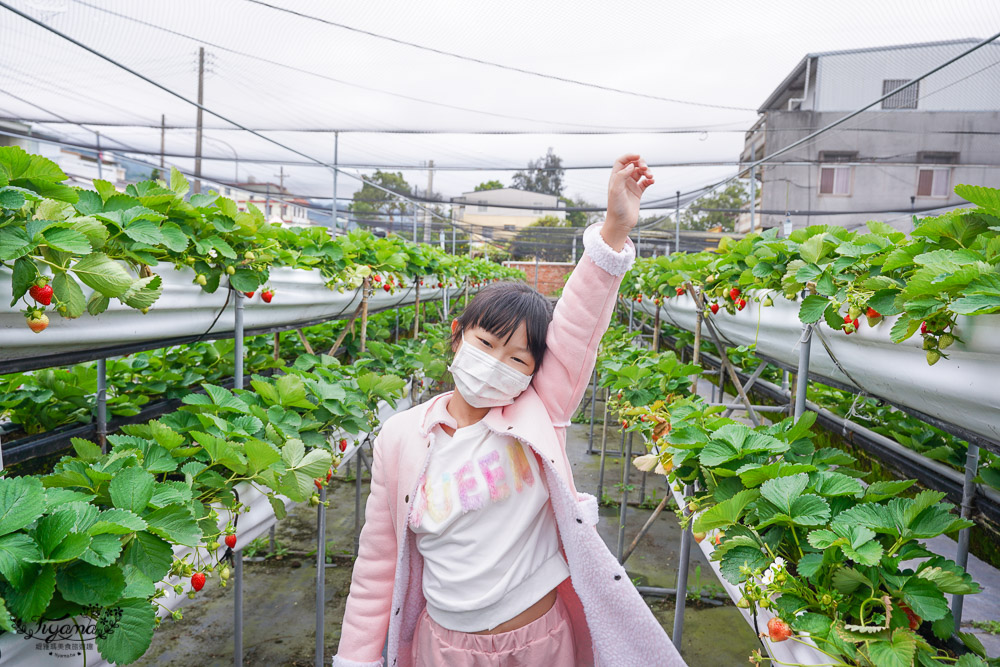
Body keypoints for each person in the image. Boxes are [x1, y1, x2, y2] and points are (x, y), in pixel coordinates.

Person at [332, 155, 684, 667]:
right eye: (487, 343)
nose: (497, 364)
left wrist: (613, 230)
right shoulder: (402, 437)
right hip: (445, 646)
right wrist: (356, 660)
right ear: (457, 338)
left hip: (539, 641)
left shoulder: (538, 414)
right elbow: (378, 565)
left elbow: (579, 325)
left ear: (533, 370)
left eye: (517, 357)